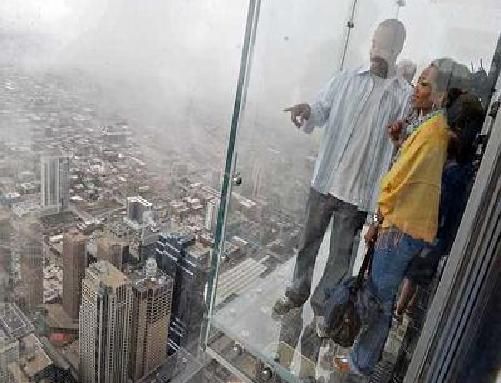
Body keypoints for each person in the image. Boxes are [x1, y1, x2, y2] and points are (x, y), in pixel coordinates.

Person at [273, 19, 411, 320]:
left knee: (340, 259)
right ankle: (296, 294)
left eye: (387, 44)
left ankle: (323, 310)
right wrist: (308, 110)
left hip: (359, 193)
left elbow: (405, 144)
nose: (379, 49)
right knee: (307, 244)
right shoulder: (347, 79)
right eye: (377, 41)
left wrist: (401, 139)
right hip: (325, 182)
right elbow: (321, 108)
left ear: (398, 49)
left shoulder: (403, 97)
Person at [333, 59, 460, 377]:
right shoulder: (434, 129)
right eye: (418, 81)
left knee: (378, 299)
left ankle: (361, 363)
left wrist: (377, 220)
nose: (416, 89)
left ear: (441, 94)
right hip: (408, 226)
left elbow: (397, 181)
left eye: (424, 84)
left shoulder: (432, 133)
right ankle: (363, 360)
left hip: (400, 227)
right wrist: (399, 142)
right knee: (382, 297)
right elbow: (414, 170)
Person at [395, 83, 484, 319]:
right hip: (436, 219)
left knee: (416, 269)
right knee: (417, 269)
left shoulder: (446, 141)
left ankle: (401, 310)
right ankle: (402, 310)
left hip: (434, 219)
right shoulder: (450, 144)